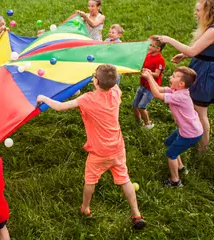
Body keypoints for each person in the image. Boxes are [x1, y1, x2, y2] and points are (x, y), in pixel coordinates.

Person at [37, 64, 146, 230]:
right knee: (125, 180)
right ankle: (136, 214)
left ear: (95, 81)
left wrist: (43, 98)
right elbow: (112, 81)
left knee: (90, 180)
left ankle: (85, 208)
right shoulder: (116, 92)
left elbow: (60, 107)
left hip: (99, 152)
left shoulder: (87, 99)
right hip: (117, 147)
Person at [157, 0, 214, 152]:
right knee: (193, 107)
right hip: (200, 67)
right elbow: (199, 50)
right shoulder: (209, 28)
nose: (196, 13)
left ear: (208, 11)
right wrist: (185, 55)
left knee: (201, 112)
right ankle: (191, 134)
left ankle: (203, 149)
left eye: (198, 10)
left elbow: (193, 49)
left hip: (206, 72)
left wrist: (169, 40)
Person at [142, 66, 203, 187]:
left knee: (170, 154)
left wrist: (149, 78)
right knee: (169, 142)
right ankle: (180, 167)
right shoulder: (176, 90)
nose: (170, 77)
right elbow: (158, 89)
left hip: (190, 134)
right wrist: (150, 75)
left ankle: (175, 181)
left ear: (181, 83)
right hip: (186, 129)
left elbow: (157, 95)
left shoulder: (181, 97)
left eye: (174, 76)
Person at [132, 36, 166, 129]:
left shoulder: (160, 60)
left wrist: (148, 72)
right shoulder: (148, 55)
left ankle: (148, 123)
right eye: (149, 44)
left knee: (141, 107)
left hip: (151, 87)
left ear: (158, 49)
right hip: (142, 84)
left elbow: (157, 74)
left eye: (151, 45)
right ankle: (138, 122)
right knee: (135, 105)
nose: (149, 47)